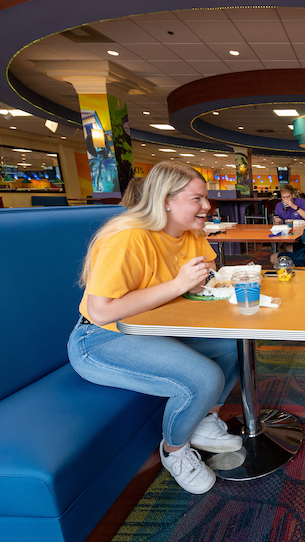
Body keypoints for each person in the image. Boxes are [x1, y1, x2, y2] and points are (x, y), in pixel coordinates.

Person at [67, 161, 242, 495]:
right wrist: (178, 284)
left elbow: (206, 274)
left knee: (235, 343)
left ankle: (204, 420)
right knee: (204, 378)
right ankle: (174, 451)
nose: (207, 206)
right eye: (197, 199)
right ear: (166, 201)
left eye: (205, 198)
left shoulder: (191, 231)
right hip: (101, 339)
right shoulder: (127, 239)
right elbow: (100, 311)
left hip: (155, 328)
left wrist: (198, 279)